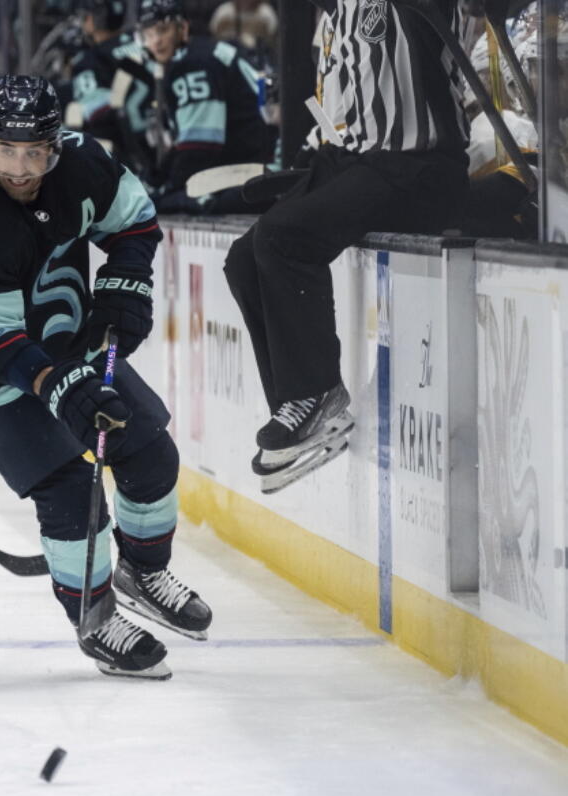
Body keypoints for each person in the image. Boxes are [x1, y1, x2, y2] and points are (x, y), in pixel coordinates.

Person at [0, 75, 212, 679]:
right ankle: (96, 618)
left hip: (63, 345)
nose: (19, 169)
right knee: (72, 493)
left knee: (151, 453)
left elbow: (134, 221)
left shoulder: (83, 165)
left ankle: (143, 569)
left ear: (56, 146)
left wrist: (126, 278)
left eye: (34, 153)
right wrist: (61, 387)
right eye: (4, 151)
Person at [223, 0, 470, 492]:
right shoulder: (335, 13)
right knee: (244, 259)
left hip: (420, 166)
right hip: (354, 161)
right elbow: (339, 101)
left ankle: (316, 395)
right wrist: (309, 158)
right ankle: (295, 406)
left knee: (283, 238)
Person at [138, 0, 275, 213]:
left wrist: (164, 190)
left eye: (162, 30)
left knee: (162, 205)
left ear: (182, 28)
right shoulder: (200, 53)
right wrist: (158, 177)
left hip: (251, 174)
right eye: (148, 34)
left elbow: (199, 149)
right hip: (255, 167)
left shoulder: (193, 64)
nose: (156, 41)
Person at [68, 0, 163, 183]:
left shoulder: (91, 60)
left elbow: (97, 116)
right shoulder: (145, 42)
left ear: (93, 19)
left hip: (132, 154)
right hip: (165, 140)